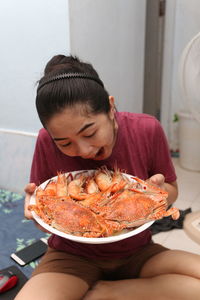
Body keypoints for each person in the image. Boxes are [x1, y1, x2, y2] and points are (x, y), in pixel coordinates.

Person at [15, 55, 200, 300]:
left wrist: (159, 193)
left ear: (111, 108)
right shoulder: (45, 141)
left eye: (89, 132)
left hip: (139, 252)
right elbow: (42, 206)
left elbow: (171, 190)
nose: (83, 150)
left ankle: (110, 292)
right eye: (65, 143)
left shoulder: (147, 129)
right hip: (72, 257)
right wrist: (35, 212)